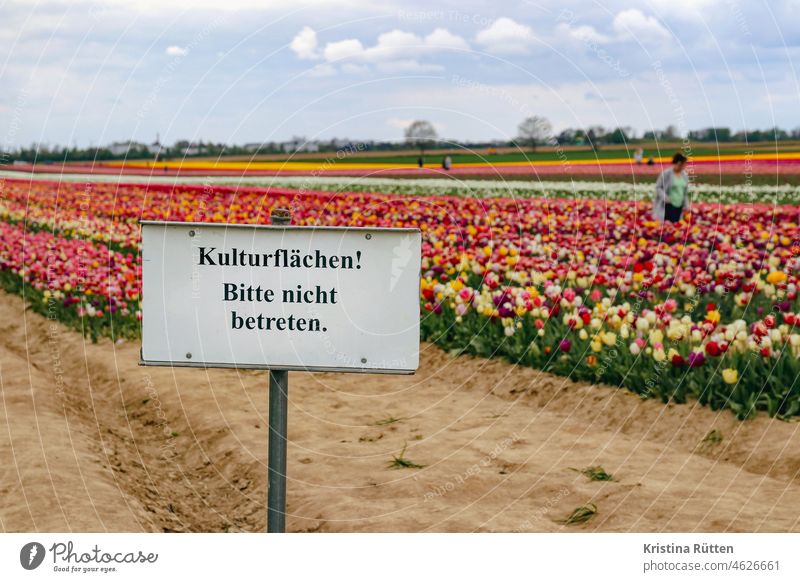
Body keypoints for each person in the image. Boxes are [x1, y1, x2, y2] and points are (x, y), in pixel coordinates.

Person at [653, 152, 690, 223]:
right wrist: (666, 198)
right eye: (684, 164)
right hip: (668, 205)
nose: (685, 166)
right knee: (669, 225)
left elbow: (685, 192)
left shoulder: (684, 175)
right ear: (679, 163)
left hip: (680, 205)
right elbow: (658, 187)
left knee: (677, 224)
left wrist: (687, 205)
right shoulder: (666, 174)